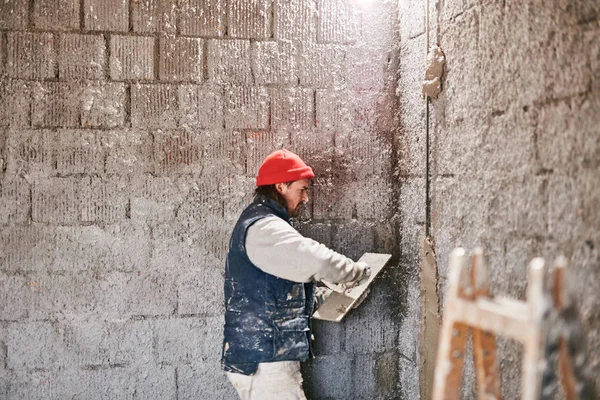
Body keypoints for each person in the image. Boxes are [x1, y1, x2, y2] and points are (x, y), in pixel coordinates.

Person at [221, 149, 369, 400]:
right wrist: (354, 273)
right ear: (280, 186)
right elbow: (315, 258)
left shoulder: (263, 224)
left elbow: (278, 291)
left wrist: (330, 297)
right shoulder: (264, 227)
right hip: (265, 364)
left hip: (264, 357)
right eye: (302, 189)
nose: (305, 198)